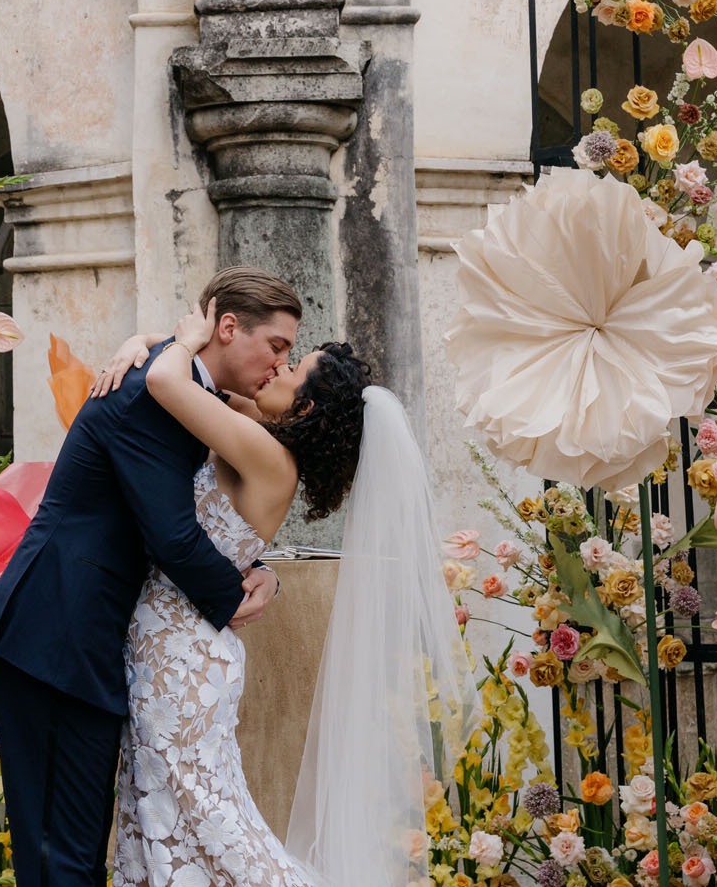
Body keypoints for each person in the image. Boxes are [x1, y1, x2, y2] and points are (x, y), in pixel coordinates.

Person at [104, 300, 479, 887]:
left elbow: (165, 380)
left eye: (290, 367)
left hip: (180, 664)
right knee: (163, 825)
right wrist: (144, 337)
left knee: (212, 831)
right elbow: (198, 380)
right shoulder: (262, 437)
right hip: (176, 654)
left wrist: (178, 339)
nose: (276, 369)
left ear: (304, 408)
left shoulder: (268, 457)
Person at [0, 266, 303, 887]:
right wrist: (231, 596)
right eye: (277, 346)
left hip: (86, 640)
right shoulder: (150, 396)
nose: (280, 363)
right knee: (58, 854)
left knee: (75, 849)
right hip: (55, 635)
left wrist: (258, 570)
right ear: (228, 328)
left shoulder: (176, 387)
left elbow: (195, 520)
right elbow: (173, 537)